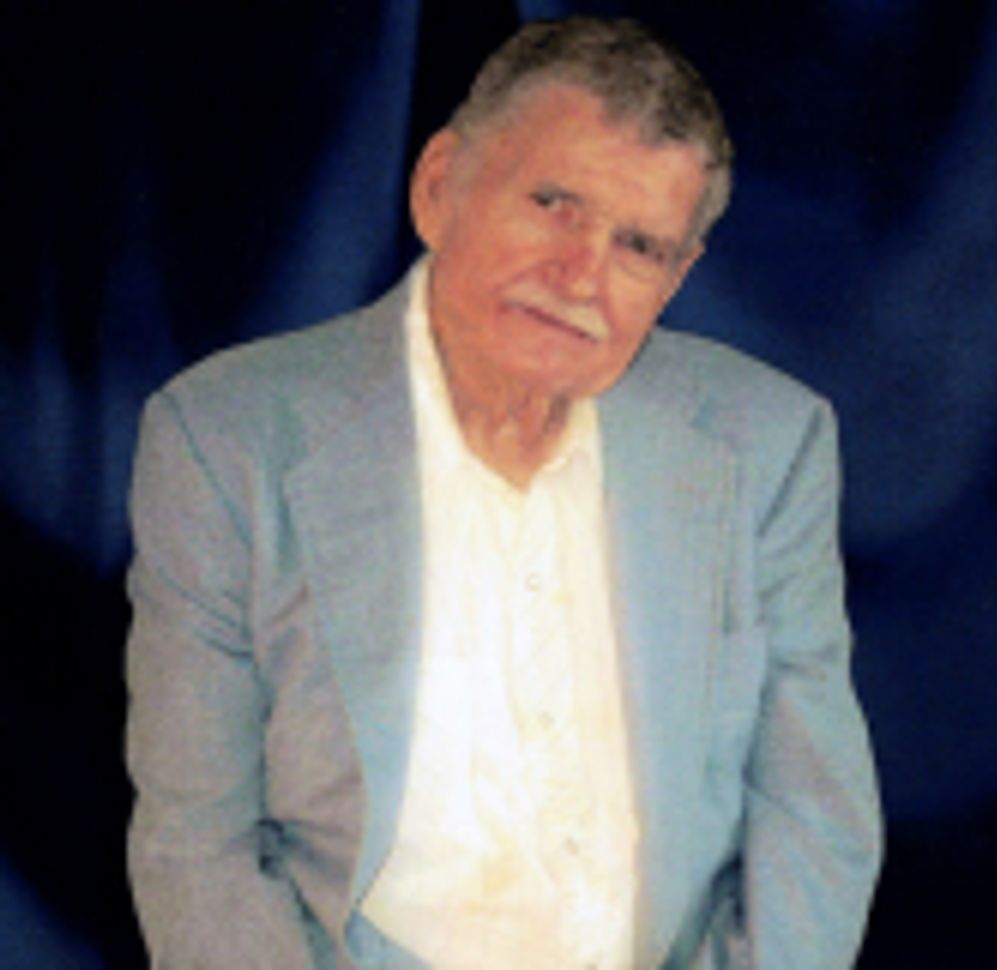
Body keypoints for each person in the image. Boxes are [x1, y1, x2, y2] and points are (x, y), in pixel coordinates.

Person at [125, 16, 881, 970]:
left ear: (677, 277)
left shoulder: (768, 444)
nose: (580, 277)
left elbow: (815, 819)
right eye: (553, 203)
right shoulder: (227, 439)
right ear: (439, 187)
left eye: (638, 246)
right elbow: (199, 843)